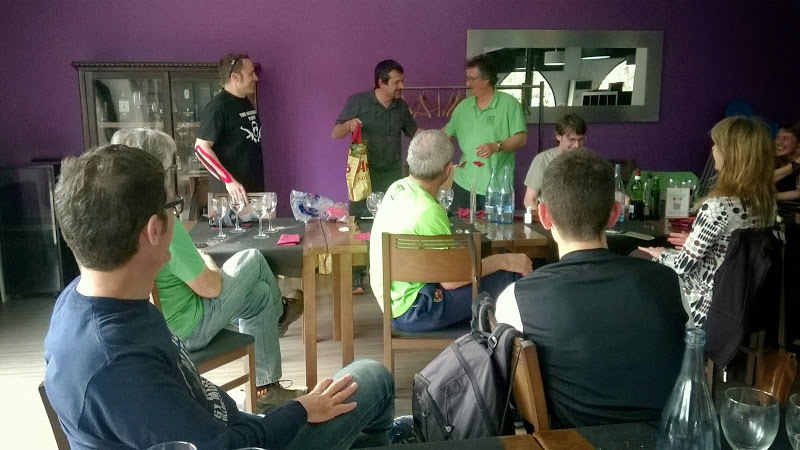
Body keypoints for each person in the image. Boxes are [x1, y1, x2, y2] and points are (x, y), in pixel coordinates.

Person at [44, 144, 395, 449]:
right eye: (174, 207)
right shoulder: (119, 369)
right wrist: (300, 410)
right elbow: (227, 446)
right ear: (153, 230)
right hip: (247, 441)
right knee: (373, 377)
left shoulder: (83, 301)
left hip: (234, 424)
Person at [111, 128, 304, 408]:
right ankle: (282, 313)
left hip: (161, 327)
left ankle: (264, 392)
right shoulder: (162, 224)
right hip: (188, 330)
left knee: (261, 294)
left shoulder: (123, 221)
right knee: (252, 257)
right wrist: (207, 260)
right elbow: (211, 288)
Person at [495, 149, 687, 429]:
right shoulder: (669, 282)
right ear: (614, 214)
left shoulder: (515, 298)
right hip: (666, 439)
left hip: (572, 442)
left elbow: (514, 393)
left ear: (544, 216)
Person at [369, 130, 532, 332]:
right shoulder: (429, 210)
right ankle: (511, 345)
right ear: (448, 169)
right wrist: (504, 261)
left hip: (393, 304)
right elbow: (451, 280)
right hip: (419, 310)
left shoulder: (397, 188)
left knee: (493, 272)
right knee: (511, 275)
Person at [640, 116, 776, 327]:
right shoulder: (767, 204)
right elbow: (732, 251)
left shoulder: (717, 207)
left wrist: (662, 253)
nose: (712, 149)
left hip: (705, 304)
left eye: (716, 144)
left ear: (731, 154)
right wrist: (694, 242)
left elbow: (683, 267)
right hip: (743, 300)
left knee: (639, 258)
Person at [332, 59, 419, 294]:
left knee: (390, 225)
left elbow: (414, 133)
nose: (402, 86)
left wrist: (436, 140)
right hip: (363, 175)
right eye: (397, 82)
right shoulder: (358, 101)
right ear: (381, 83)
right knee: (359, 224)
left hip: (392, 175)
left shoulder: (400, 107)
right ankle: (355, 276)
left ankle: (385, 272)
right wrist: (349, 125)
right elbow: (335, 133)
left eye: (402, 81)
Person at [444, 54, 527, 210]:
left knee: (493, 227)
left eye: (472, 79)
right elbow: (445, 135)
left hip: (497, 186)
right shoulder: (463, 107)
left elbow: (521, 138)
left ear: (486, 79)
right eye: (467, 78)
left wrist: (497, 146)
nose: (467, 83)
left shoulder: (509, 104)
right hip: (463, 183)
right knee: (456, 225)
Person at [195, 52, 264, 204]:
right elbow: (200, 149)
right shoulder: (218, 107)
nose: (256, 78)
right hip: (231, 197)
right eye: (250, 74)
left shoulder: (244, 101)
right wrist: (229, 181)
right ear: (235, 77)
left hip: (252, 189)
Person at [523, 113, 587, 209]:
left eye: (581, 139)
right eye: (572, 139)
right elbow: (529, 199)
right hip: (549, 214)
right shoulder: (542, 160)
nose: (577, 145)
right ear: (558, 136)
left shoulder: (588, 161)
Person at [772, 122, 800, 200]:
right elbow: (761, 182)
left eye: (785, 138)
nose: (778, 142)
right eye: (777, 137)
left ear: (798, 143)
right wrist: (795, 164)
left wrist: (770, 197)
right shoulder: (771, 159)